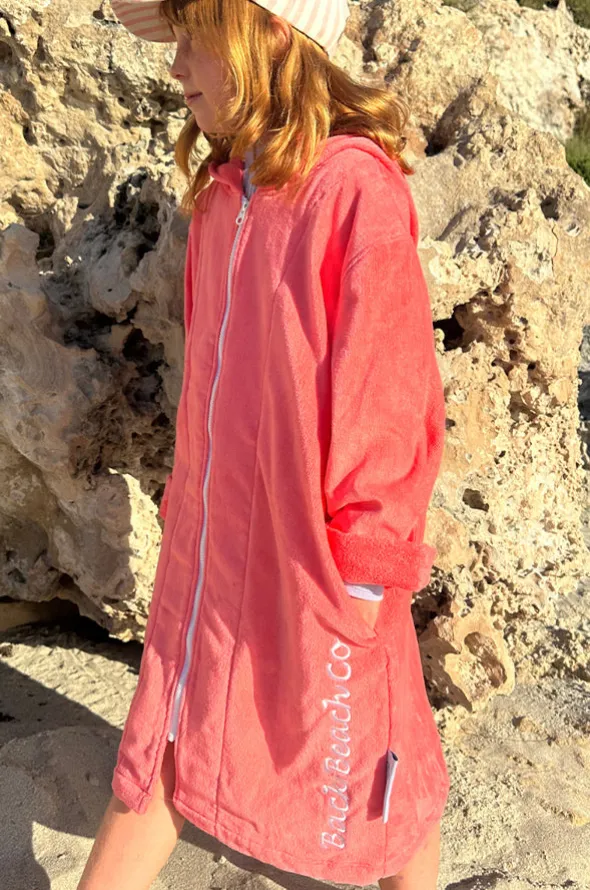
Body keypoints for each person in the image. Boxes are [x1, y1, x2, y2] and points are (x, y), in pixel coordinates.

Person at [77, 0, 450, 888]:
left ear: (268, 34)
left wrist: (365, 570)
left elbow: (389, 392)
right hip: (213, 540)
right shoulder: (222, 193)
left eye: (194, 38)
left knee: (373, 760)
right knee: (170, 722)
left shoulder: (352, 192)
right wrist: (189, 502)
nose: (176, 68)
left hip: (317, 554)